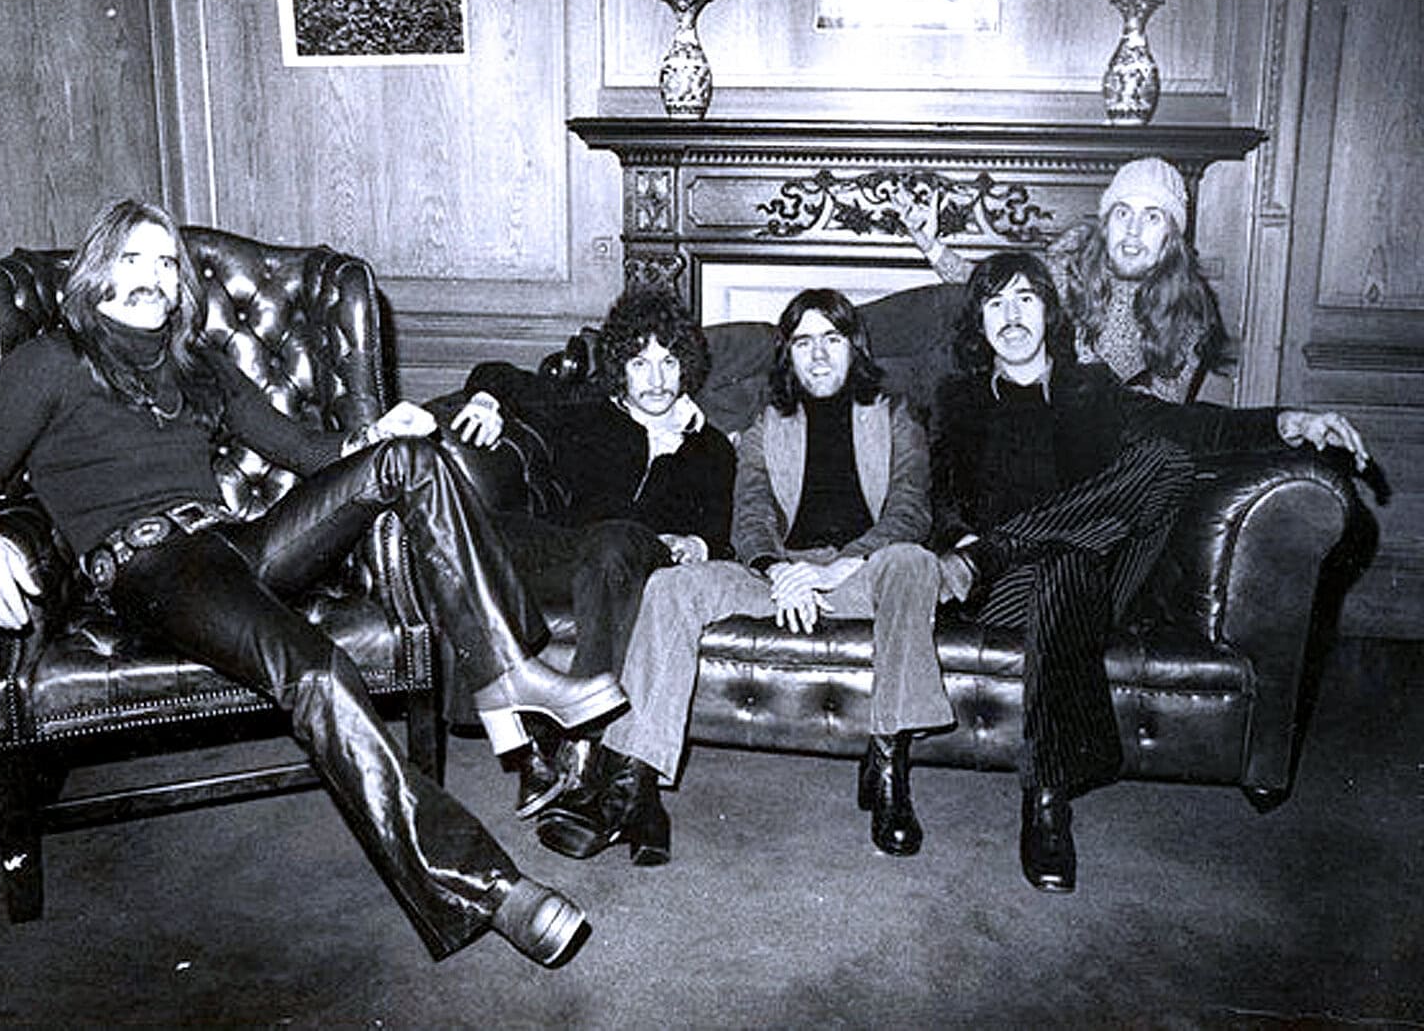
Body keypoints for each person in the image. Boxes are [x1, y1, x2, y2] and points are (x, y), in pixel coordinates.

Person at [0, 198, 630, 967]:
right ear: (97, 271)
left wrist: (374, 436)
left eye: (166, 262)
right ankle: (483, 886)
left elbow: (304, 449)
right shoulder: (50, 361)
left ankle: (508, 673)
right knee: (319, 671)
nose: (153, 276)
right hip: (153, 568)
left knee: (410, 461)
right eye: (133, 258)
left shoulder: (199, 364)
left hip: (237, 541)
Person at [930, 250, 1370, 894]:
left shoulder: (1093, 389)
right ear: (979, 323)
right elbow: (941, 499)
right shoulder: (960, 400)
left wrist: (1290, 420)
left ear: (1050, 312)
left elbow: (1193, 426)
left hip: (1101, 577)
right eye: (995, 304)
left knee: (1164, 459)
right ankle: (1047, 800)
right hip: (1012, 589)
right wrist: (959, 539)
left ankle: (996, 550)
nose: (1012, 316)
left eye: (1026, 298)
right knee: (1065, 564)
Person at [537, 288, 955, 866]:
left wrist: (839, 567)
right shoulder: (767, 422)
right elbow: (751, 513)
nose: (818, 355)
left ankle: (888, 768)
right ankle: (631, 785)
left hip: (863, 571)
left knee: (915, 562)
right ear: (788, 354)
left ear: (854, 347)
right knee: (671, 586)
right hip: (776, 575)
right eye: (803, 343)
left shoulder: (894, 414)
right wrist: (780, 569)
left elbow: (909, 510)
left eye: (831, 340)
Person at [453, 288, 736, 820]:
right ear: (619, 369)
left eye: (669, 362)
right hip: (568, 554)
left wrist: (693, 537)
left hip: (641, 560)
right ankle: (522, 741)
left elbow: (718, 536)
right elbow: (499, 374)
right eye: (640, 363)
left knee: (617, 540)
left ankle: (582, 739)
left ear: (688, 368)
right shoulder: (586, 412)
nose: (656, 379)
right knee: (470, 529)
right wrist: (486, 402)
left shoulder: (709, 447)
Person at [903, 157, 1231, 402]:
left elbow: (1165, 413)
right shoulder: (1069, 265)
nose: (1133, 230)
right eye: (1123, 213)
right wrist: (931, 246)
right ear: (1106, 225)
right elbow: (994, 284)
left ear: (1171, 238)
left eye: (1152, 217)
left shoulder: (1190, 313)